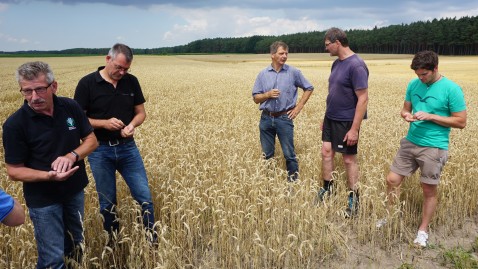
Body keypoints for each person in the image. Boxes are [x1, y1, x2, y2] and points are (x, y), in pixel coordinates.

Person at [2, 61, 98, 268]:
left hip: (74, 190)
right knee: (52, 258)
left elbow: (92, 141)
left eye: (39, 89)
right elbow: (13, 171)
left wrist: (72, 155)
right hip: (43, 200)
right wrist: (49, 176)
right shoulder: (14, 125)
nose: (34, 97)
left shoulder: (70, 106)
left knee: (76, 245)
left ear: (53, 86)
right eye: (27, 91)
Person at [379, 50, 467, 247]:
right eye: (417, 74)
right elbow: (405, 109)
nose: (420, 78)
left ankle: (422, 231)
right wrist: (406, 116)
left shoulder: (451, 89)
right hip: (411, 141)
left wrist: (431, 116)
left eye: (424, 74)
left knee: (428, 189)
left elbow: (461, 122)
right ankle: (390, 217)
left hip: (434, 146)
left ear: (435, 68)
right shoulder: (414, 84)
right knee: (392, 180)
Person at [74, 43, 156, 243]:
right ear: (107, 59)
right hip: (99, 151)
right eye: (118, 67)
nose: (122, 72)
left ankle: (151, 239)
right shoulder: (87, 84)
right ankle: (113, 242)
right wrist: (104, 123)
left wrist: (132, 125)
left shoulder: (131, 82)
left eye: (126, 69)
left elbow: (141, 113)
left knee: (144, 197)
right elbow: (78, 120)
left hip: (128, 148)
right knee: (107, 202)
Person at [317, 27, 369, 217]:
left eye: (327, 45)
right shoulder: (337, 64)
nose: (326, 49)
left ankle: (354, 199)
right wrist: (326, 116)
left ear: (337, 42)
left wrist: (354, 129)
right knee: (326, 152)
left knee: (348, 158)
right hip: (331, 117)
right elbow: (333, 93)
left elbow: (363, 99)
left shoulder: (356, 65)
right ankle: (327, 188)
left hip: (347, 120)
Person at [252, 41, 314, 182]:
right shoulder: (263, 74)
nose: (285, 56)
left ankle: (293, 184)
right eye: (281, 53)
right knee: (267, 154)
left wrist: (298, 108)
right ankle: (270, 182)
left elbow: (309, 88)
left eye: (286, 53)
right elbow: (256, 98)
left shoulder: (293, 72)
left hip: (284, 118)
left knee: (289, 154)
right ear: (272, 55)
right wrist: (267, 95)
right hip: (266, 118)